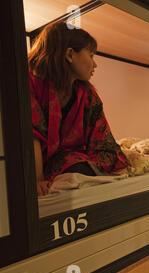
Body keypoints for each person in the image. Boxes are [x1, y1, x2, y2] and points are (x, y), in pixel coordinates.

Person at [28, 21, 129, 197]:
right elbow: (30, 136)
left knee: (95, 163)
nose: (94, 64)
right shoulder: (28, 83)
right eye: (91, 55)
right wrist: (37, 180)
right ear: (69, 54)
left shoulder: (87, 94)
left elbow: (103, 140)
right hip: (34, 163)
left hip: (71, 159)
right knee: (76, 167)